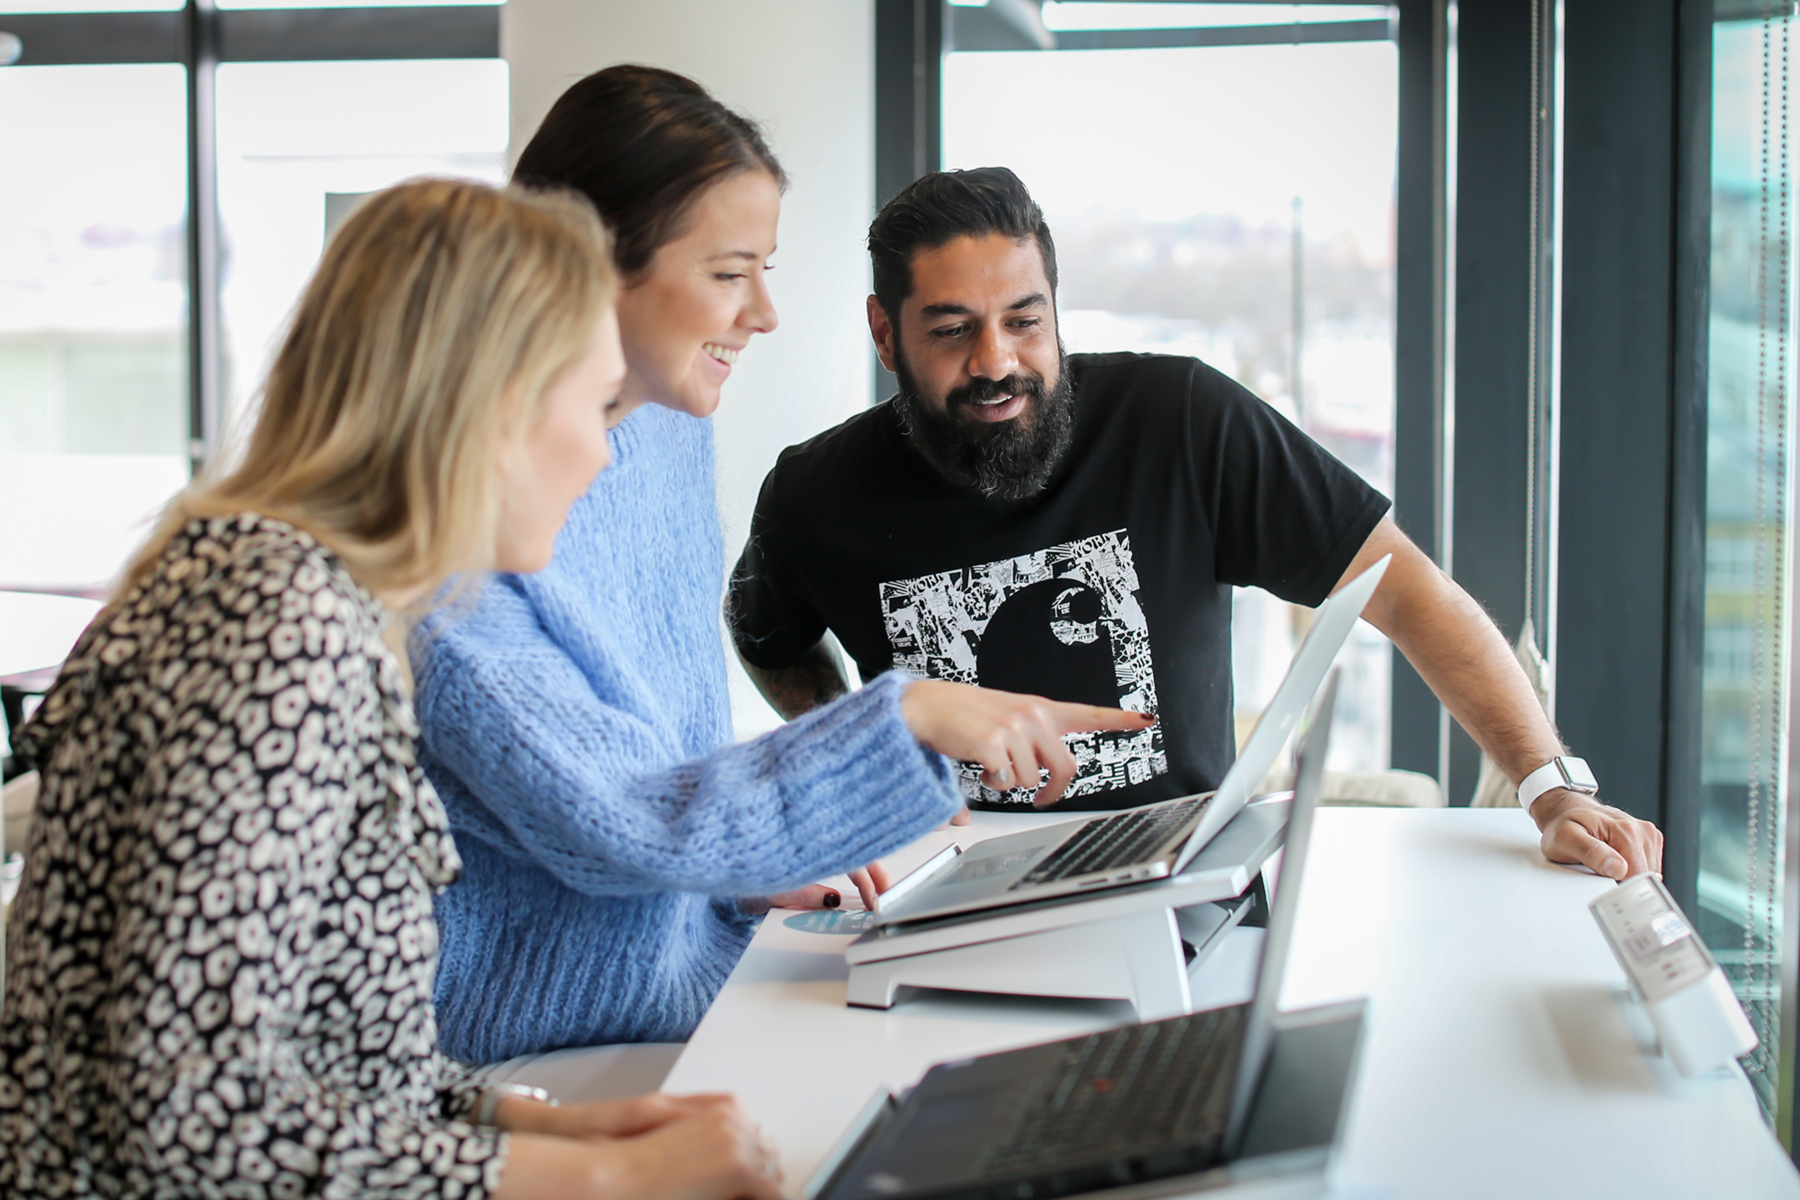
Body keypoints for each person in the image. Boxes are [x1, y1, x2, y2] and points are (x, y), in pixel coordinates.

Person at [0, 178, 786, 1200]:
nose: (604, 451)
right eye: (595, 406)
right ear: (489, 405)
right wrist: (599, 1184)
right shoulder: (277, 622)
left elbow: (330, 1064)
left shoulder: (309, 597)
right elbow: (187, 1113)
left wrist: (569, 1132)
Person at [409, 66, 1148, 1066]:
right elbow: (618, 817)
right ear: (581, 263)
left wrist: (735, 875)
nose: (764, 311)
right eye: (729, 272)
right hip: (545, 1041)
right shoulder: (453, 536)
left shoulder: (660, 429)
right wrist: (910, 710)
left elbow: (654, 757)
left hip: (699, 967)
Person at [727, 166, 1664, 880]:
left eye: (1025, 319)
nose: (996, 361)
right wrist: (849, 760)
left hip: (1180, 879)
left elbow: (1407, 592)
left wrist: (1548, 786)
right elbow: (766, 634)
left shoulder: (1180, 418)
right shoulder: (815, 492)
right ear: (884, 333)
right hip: (941, 878)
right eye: (949, 329)